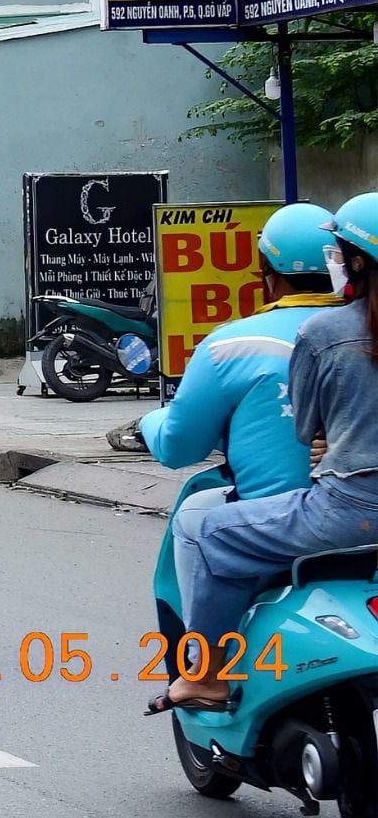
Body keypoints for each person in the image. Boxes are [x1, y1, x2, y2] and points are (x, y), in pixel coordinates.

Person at [152, 192, 378, 711]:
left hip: (349, 510)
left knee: (210, 532)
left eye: (341, 253)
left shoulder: (316, 333)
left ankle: (205, 677)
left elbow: (305, 429)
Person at [143, 203, 339, 627]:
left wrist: (149, 422)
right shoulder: (362, 332)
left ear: (267, 273)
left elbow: (179, 446)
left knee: (200, 519)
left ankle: (205, 665)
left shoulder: (233, 345)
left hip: (311, 516)